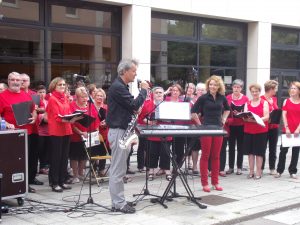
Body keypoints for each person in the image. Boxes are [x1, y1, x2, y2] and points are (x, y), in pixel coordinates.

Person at [106, 59, 149, 214]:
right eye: (133, 71)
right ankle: (118, 203)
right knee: (117, 169)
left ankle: (119, 200)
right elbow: (134, 105)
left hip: (123, 131)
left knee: (121, 168)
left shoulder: (121, 87)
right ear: (124, 71)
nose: (136, 74)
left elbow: (131, 108)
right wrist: (143, 91)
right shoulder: (118, 87)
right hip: (118, 132)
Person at [0, 72, 38, 193]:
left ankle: (24, 185)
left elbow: (34, 110)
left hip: (27, 133)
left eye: (18, 80)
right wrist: (5, 123)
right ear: (8, 81)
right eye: (12, 80)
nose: (15, 82)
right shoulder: (2, 96)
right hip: (10, 136)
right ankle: (10, 186)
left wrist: (34, 116)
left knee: (26, 160)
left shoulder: (26, 95)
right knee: (11, 161)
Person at [191, 75, 230, 192]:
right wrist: (199, 125)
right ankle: (204, 183)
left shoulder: (222, 97)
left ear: (219, 86)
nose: (213, 86)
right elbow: (193, 112)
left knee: (216, 156)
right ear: (208, 86)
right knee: (205, 156)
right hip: (206, 129)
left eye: (215, 84)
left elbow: (227, 110)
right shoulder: (203, 98)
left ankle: (215, 182)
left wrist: (223, 120)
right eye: (211, 84)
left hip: (218, 129)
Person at [46, 77, 82, 192]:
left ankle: (62, 180)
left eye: (63, 84)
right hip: (56, 131)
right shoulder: (52, 99)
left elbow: (67, 113)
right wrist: (69, 119)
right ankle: (54, 182)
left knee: (64, 157)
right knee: (56, 157)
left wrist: (74, 116)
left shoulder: (65, 98)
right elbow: (57, 116)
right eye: (59, 85)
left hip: (67, 130)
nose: (62, 86)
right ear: (54, 86)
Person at [138, 86, 172, 181]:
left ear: (163, 94)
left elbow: (172, 117)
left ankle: (167, 170)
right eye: (156, 92)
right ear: (153, 94)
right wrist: (149, 122)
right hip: (152, 133)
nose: (158, 94)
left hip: (165, 132)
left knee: (165, 153)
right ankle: (151, 171)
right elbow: (140, 118)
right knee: (152, 153)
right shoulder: (147, 104)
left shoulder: (167, 104)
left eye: (160, 92)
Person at [69, 87, 100, 183]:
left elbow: (96, 120)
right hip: (75, 134)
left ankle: (81, 173)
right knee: (74, 156)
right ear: (77, 97)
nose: (84, 99)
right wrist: (81, 132)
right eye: (82, 97)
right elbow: (71, 123)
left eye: (86, 97)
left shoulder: (90, 106)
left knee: (84, 155)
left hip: (88, 135)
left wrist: (95, 132)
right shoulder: (72, 106)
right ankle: (75, 175)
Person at [243, 84, 269, 180]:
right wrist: (245, 118)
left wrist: (256, 119)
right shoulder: (248, 103)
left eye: (256, 91)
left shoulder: (264, 102)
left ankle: (258, 172)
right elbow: (245, 117)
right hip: (249, 130)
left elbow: (266, 117)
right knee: (250, 153)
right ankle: (251, 171)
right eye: (253, 91)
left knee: (259, 152)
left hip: (260, 131)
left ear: (259, 91)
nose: (254, 93)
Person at [275, 81, 300, 179]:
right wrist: (287, 127)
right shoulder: (286, 101)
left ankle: (292, 171)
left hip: (298, 130)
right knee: (283, 151)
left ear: (298, 90)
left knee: (295, 152)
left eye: (295, 88)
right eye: (292, 88)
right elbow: (284, 115)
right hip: (287, 130)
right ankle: (279, 171)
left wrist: (298, 129)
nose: (292, 90)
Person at [226, 79, 249, 175]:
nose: (236, 89)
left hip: (241, 125)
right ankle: (231, 167)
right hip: (231, 125)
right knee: (231, 146)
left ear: (241, 89)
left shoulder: (245, 99)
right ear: (232, 88)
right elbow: (225, 110)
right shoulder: (227, 97)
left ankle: (239, 167)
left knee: (240, 147)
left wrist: (240, 113)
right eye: (234, 87)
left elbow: (247, 111)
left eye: (238, 87)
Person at [261, 80, 279, 175]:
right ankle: (261, 168)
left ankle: (272, 168)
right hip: (264, 127)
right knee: (262, 148)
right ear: (271, 89)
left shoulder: (274, 99)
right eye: (275, 88)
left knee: (273, 148)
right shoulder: (261, 99)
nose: (276, 90)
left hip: (274, 127)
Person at [189, 82, 206, 174]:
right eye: (199, 90)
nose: (200, 91)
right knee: (195, 148)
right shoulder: (192, 101)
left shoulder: (208, 100)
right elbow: (190, 115)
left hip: (206, 127)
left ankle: (204, 168)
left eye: (202, 90)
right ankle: (195, 167)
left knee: (205, 149)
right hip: (195, 128)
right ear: (196, 91)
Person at [93, 88, 110, 177]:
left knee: (103, 152)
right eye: (98, 95)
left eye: (101, 96)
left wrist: (106, 122)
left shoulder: (106, 107)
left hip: (103, 133)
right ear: (94, 97)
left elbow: (110, 119)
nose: (100, 97)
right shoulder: (91, 107)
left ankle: (101, 169)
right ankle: (93, 170)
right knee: (94, 152)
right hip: (94, 132)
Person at [36, 85, 50, 175]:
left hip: (48, 130)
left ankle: (43, 167)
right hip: (39, 130)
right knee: (39, 150)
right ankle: (38, 167)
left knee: (46, 150)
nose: (41, 94)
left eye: (43, 92)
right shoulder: (35, 102)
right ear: (36, 93)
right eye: (40, 92)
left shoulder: (48, 102)